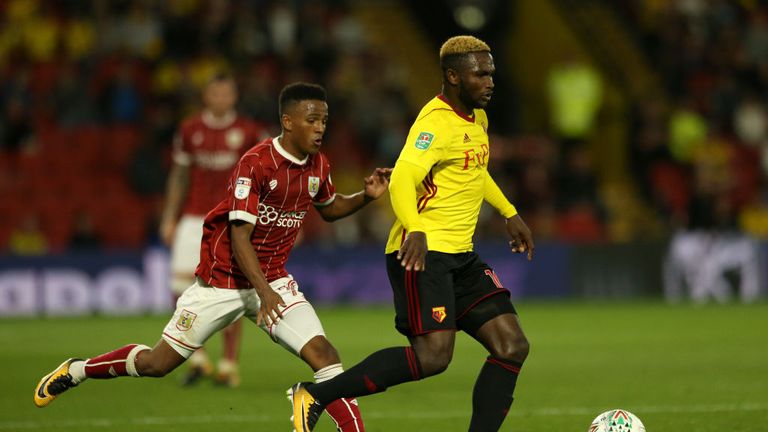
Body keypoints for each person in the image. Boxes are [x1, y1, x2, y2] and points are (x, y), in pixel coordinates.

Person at [35, 83, 390, 432]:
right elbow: (239, 237)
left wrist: (366, 196)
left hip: (272, 279)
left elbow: (328, 208)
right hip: (223, 283)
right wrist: (264, 292)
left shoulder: (318, 165)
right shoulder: (256, 164)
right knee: (157, 363)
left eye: (324, 121)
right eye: (312, 120)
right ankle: (77, 370)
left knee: (326, 357)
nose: (320, 128)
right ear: (288, 121)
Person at [288, 35, 534, 432]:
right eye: (480, 74)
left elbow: (475, 171)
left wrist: (510, 212)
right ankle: (317, 395)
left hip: (461, 255)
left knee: (512, 346)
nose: (490, 81)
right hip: (422, 253)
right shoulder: (434, 124)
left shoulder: (478, 118)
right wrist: (416, 230)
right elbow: (403, 178)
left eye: (491, 72)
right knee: (433, 357)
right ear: (453, 76)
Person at [159, 73, 265, 387]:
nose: (220, 99)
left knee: (231, 290)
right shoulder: (189, 129)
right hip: (192, 219)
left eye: (226, 93)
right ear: (206, 96)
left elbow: (264, 177)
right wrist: (169, 217)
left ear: (234, 97)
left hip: (232, 219)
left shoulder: (248, 132)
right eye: (215, 93)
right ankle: (199, 359)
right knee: (180, 287)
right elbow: (179, 176)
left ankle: (229, 364)